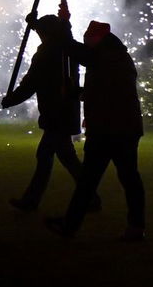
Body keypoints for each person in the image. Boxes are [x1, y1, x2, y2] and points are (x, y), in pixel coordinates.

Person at [48, 21, 144, 241]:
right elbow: (101, 89)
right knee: (123, 179)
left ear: (97, 38)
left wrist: (62, 29)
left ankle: (70, 225)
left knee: (94, 180)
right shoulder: (113, 56)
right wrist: (76, 93)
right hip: (119, 128)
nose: (86, 43)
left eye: (88, 39)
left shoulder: (107, 56)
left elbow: (77, 52)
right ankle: (135, 226)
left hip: (110, 129)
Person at [1, 13, 88, 213]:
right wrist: (34, 24)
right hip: (64, 113)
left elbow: (30, 84)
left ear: (47, 32)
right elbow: (63, 32)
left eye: (41, 30)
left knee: (52, 157)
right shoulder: (67, 47)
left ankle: (32, 201)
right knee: (60, 158)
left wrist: (10, 100)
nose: (39, 33)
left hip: (56, 114)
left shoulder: (47, 52)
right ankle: (88, 197)